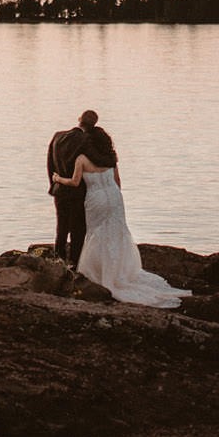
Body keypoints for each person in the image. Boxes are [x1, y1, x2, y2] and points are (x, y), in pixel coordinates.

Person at [50, 118, 186, 309]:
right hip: (114, 197)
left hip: (95, 198)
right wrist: (115, 199)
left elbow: (74, 182)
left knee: (96, 233)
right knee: (116, 232)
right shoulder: (111, 158)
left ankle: (97, 271)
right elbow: (118, 182)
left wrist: (57, 178)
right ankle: (118, 270)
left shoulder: (82, 159)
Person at [46, 110, 96, 265]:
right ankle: (74, 263)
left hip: (59, 189)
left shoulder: (57, 136)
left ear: (79, 119)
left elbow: (50, 164)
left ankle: (58, 259)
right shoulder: (87, 140)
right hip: (78, 191)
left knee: (61, 227)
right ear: (93, 125)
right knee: (78, 230)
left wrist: (54, 184)